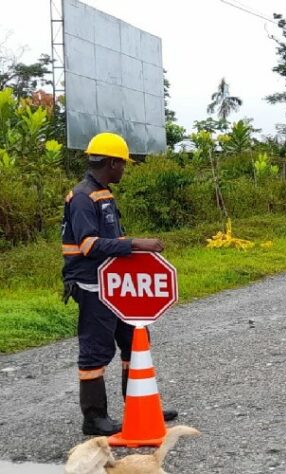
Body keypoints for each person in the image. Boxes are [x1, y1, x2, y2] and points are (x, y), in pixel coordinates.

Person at [61, 132, 177, 436]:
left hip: (115, 283)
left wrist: (131, 247)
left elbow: (110, 240)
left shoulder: (104, 193)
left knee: (135, 340)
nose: (124, 169)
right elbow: (88, 245)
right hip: (92, 284)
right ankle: (95, 418)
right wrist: (135, 243)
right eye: (122, 164)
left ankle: (139, 404)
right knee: (96, 351)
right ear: (112, 163)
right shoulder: (84, 196)